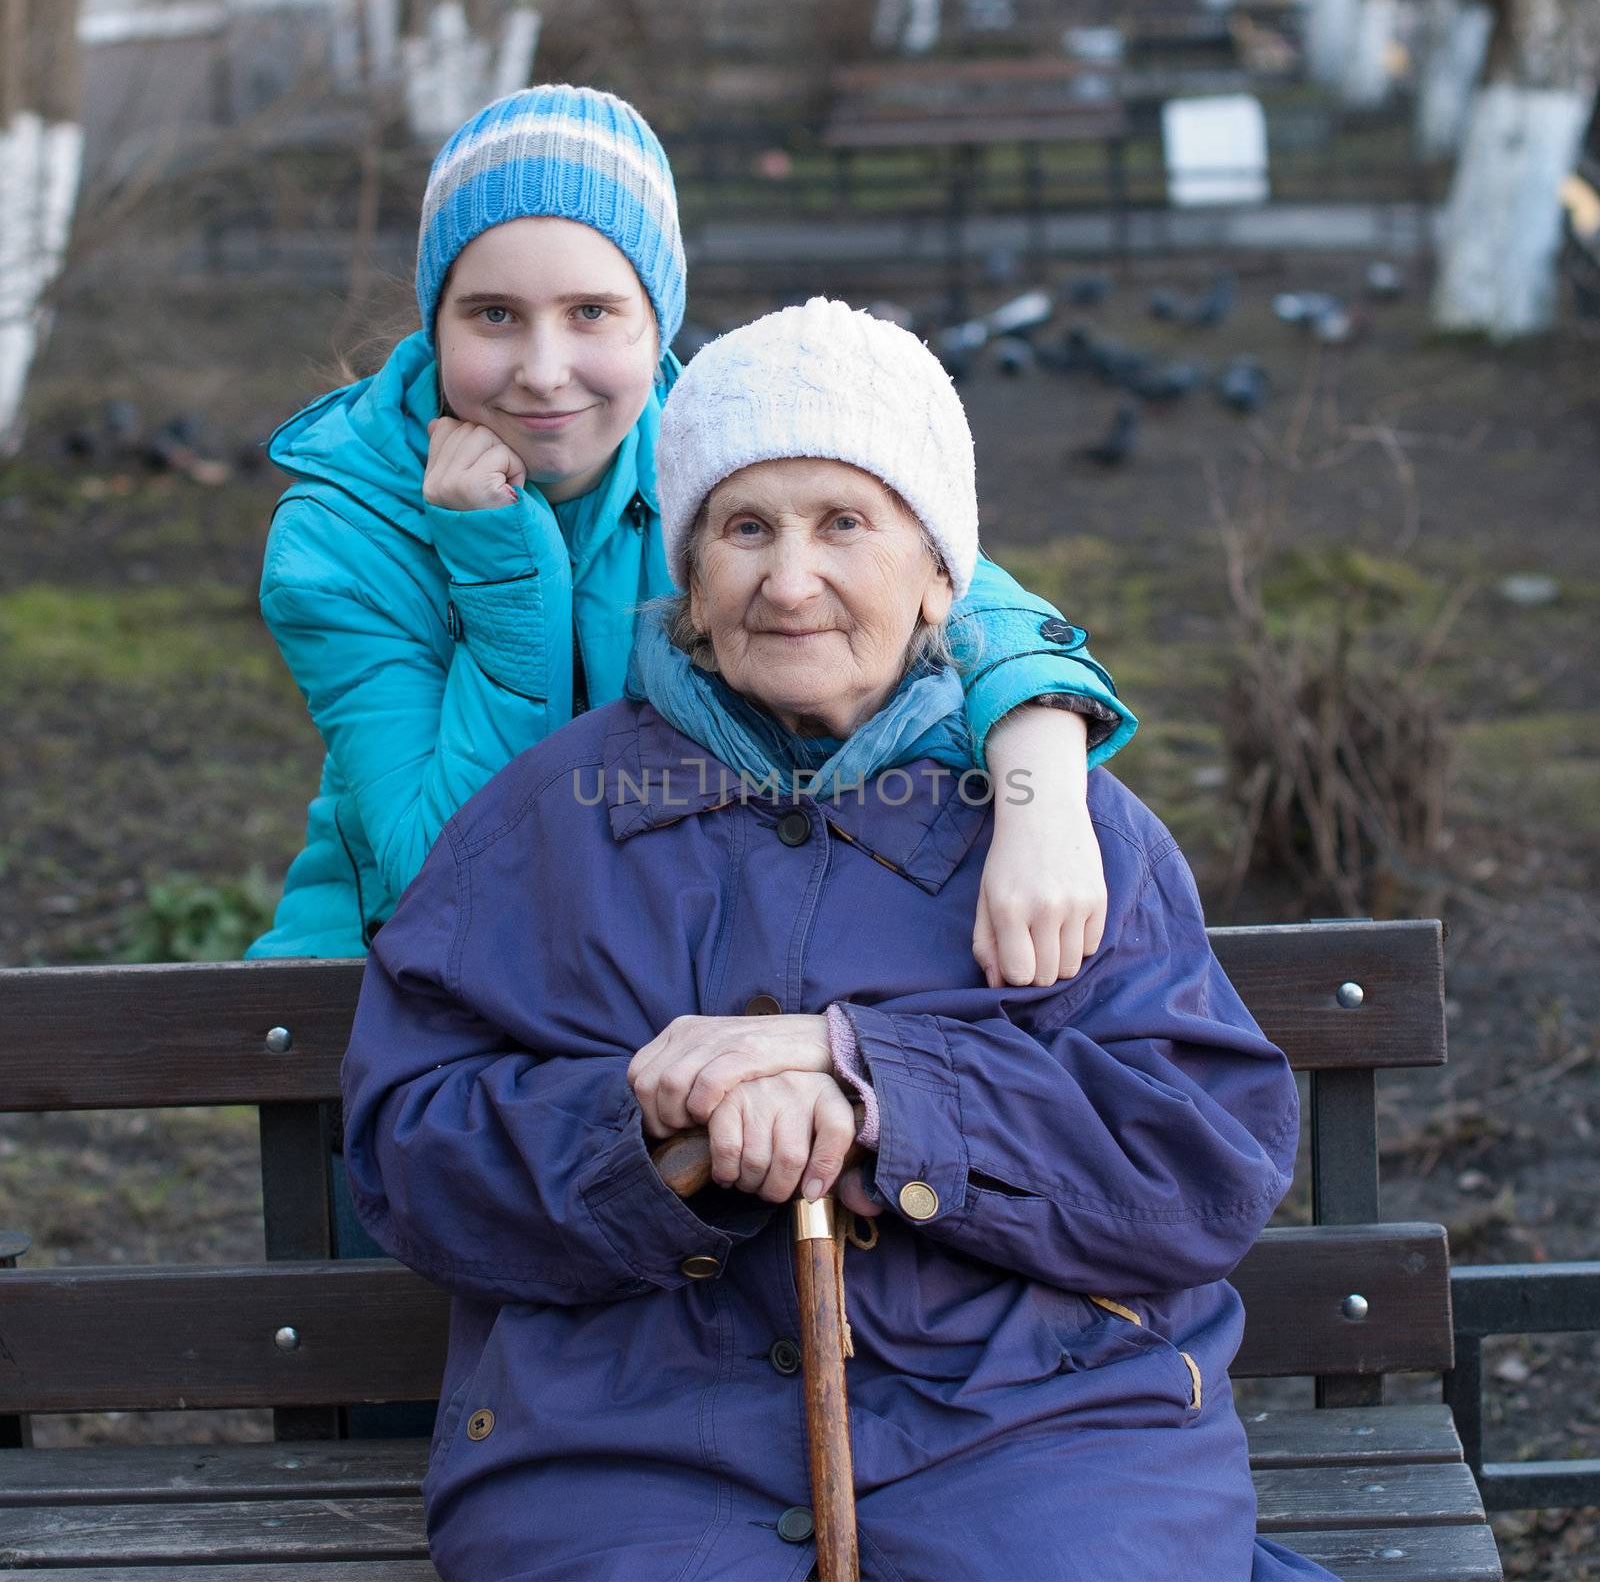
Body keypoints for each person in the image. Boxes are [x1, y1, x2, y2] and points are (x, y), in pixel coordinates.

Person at [341, 299, 1337, 1581]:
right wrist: (649, 1134)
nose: (789, 577)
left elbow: (1195, 1161)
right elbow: (407, 1146)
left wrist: (875, 1092)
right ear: (692, 586)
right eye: (745, 527)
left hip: (1037, 1433)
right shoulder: (551, 815)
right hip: (627, 1449)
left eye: (844, 523)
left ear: (941, 574)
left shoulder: (1062, 824)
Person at [247, 84, 1135, 987]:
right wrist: (494, 568)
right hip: (393, 1001)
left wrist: (1046, 804)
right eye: (494, 315)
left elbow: (962, 598)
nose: (545, 372)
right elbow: (453, 875)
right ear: (437, 320)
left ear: (656, 319)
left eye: (591, 311)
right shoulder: (338, 542)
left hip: (654, 962)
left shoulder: (716, 444)